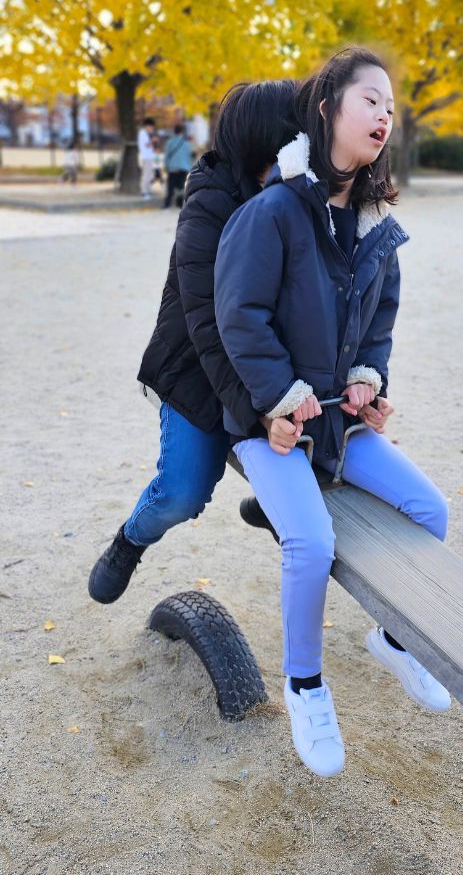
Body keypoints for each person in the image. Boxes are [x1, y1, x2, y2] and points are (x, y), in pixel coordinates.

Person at [214, 46, 451, 778]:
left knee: (431, 512)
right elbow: (239, 315)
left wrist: (366, 380)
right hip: (271, 429)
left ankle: (396, 641)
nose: (384, 113)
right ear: (327, 110)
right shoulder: (276, 211)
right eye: (369, 99)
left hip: (338, 429)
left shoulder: (378, 224)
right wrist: (280, 400)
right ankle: (305, 685)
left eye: (390, 104)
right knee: (311, 544)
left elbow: (381, 319)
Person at [87, 82, 298, 605]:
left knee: (324, 463)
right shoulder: (209, 203)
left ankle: (266, 505)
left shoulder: (298, 190)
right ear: (269, 140)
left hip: (264, 366)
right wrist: (257, 411)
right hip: (198, 369)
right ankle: (130, 538)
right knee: (183, 493)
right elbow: (208, 323)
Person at [162, 124, 194, 209]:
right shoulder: (186, 143)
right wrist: (190, 167)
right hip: (183, 167)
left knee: (170, 187)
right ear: (182, 132)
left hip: (172, 167)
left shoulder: (169, 142)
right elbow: (189, 156)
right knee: (182, 187)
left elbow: (167, 155)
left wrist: (166, 165)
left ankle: (167, 204)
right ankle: (180, 204)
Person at [138, 117, 157, 199]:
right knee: (146, 175)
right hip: (146, 157)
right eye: (151, 127)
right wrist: (153, 140)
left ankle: (148, 192)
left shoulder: (145, 133)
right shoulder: (142, 133)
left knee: (149, 175)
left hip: (149, 157)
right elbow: (147, 144)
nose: (152, 129)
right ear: (147, 126)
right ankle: (144, 192)